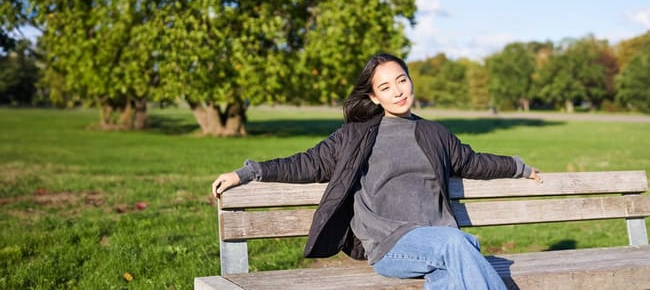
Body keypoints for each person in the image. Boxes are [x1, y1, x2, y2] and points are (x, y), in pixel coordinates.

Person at [211, 52, 542, 289]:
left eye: (401, 80)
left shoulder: (434, 134)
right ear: (374, 96)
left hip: (440, 243)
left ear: (411, 80)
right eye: (386, 87)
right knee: (459, 246)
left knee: (450, 272)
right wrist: (248, 173)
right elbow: (307, 163)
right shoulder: (356, 135)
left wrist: (519, 167)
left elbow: (473, 162)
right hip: (391, 246)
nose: (398, 91)